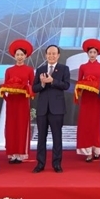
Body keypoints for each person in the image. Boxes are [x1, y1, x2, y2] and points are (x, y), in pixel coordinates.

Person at [32, 45, 70, 173]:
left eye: (54, 54)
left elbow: (66, 85)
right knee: (41, 137)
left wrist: (53, 80)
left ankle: (57, 164)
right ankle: (40, 163)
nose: (51, 56)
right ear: (45, 55)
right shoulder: (40, 69)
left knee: (57, 137)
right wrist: (42, 83)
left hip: (57, 109)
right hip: (42, 108)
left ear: (58, 55)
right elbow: (34, 88)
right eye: (49, 53)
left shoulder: (64, 69)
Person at [0, 39, 35, 164]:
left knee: (22, 126)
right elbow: (5, 86)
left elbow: (33, 86)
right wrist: (7, 97)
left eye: (22, 54)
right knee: (11, 126)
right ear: (14, 56)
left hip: (23, 101)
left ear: (26, 56)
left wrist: (26, 89)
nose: (19, 57)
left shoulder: (29, 70)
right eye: (17, 54)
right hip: (12, 101)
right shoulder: (9, 70)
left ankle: (21, 153)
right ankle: (11, 153)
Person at [75, 38, 100, 162]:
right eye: (90, 52)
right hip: (86, 99)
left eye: (94, 52)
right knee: (86, 124)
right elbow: (79, 82)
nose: (92, 54)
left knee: (96, 124)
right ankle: (87, 152)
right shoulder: (83, 67)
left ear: (97, 54)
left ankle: (97, 150)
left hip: (97, 99)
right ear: (87, 53)